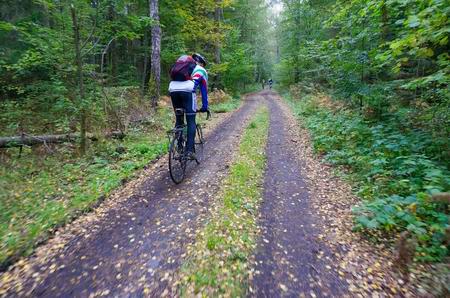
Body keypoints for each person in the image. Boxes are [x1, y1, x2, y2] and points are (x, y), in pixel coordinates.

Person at [168, 53, 209, 160]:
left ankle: (179, 146)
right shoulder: (201, 70)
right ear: (201, 63)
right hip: (187, 91)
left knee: (179, 117)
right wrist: (205, 107)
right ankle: (189, 151)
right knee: (191, 120)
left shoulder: (182, 67)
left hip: (172, 89)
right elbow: (204, 90)